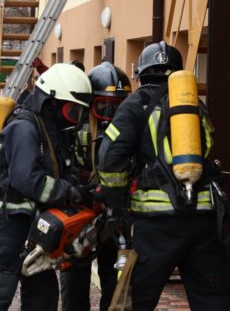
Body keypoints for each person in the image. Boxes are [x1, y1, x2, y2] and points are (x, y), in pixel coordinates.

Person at [97, 42, 230, 311]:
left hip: (157, 223)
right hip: (203, 217)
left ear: (143, 73)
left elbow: (111, 156)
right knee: (211, 297)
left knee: (138, 298)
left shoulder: (136, 104)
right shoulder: (193, 105)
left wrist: (116, 202)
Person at [0, 63, 94, 311]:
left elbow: (62, 168)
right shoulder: (24, 127)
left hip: (40, 226)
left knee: (43, 297)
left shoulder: (52, 129)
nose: (74, 119)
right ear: (51, 101)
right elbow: (28, 179)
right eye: (72, 110)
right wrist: (69, 192)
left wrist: (77, 185)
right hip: (12, 222)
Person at [60, 62, 132, 311]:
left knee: (114, 275)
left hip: (118, 213)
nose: (111, 115)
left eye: (118, 107)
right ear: (90, 105)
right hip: (84, 210)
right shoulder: (75, 130)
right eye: (104, 107)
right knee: (75, 274)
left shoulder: (133, 129)